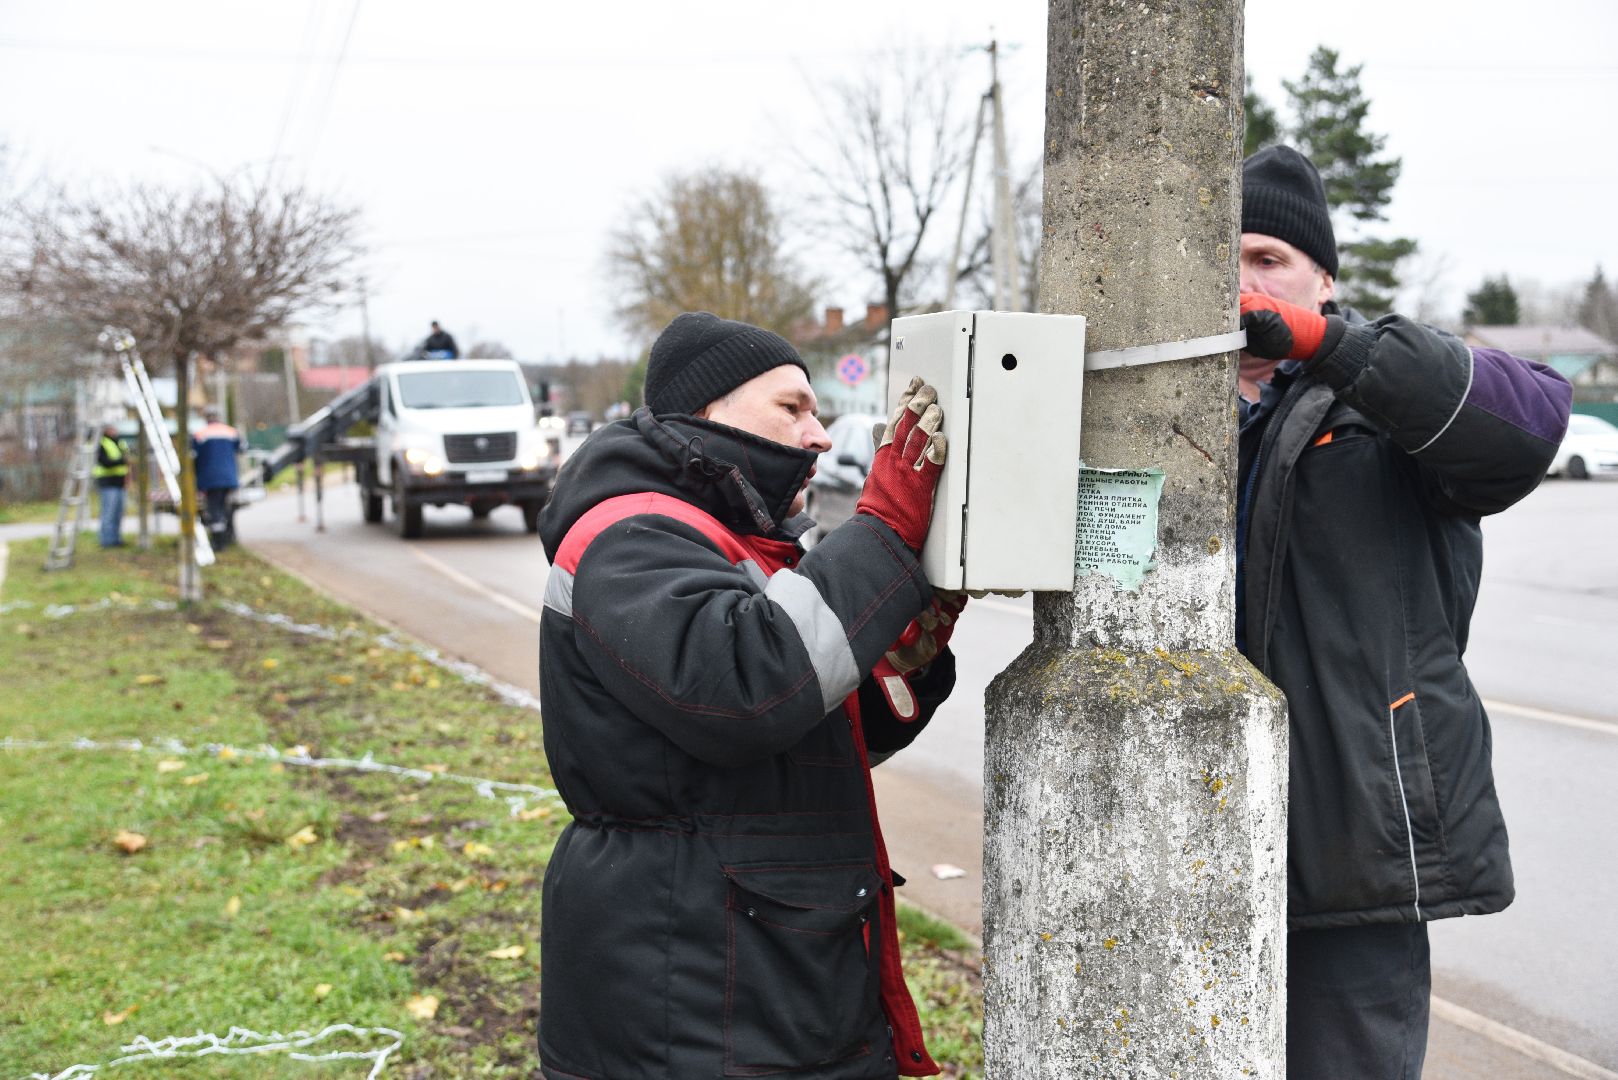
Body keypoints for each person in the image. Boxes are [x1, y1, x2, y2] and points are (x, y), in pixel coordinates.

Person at [536, 312, 961, 1079]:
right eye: (792, 407)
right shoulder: (629, 536)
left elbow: (811, 731)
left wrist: (905, 656)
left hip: (759, 983)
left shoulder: (730, 542)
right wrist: (887, 531)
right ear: (705, 413)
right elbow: (747, 693)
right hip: (695, 995)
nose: (821, 434)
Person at [1234, 145, 1572, 1079]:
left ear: (1322, 278)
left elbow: (1533, 422)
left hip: (1357, 842)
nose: (1244, 283)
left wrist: (1326, 345)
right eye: (1223, 258)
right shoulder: (1155, 410)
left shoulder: (1381, 391)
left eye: (1268, 259)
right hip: (1199, 821)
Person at [191, 406, 242, 550]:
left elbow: (194, 456)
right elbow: (242, 448)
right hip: (229, 478)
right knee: (226, 508)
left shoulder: (200, 434)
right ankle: (228, 536)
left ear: (206, 417)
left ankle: (219, 543)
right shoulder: (231, 432)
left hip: (210, 479)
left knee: (214, 510)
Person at [92, 424, 128, 549]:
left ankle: (115, 539)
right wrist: (120, 461)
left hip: (120, 482)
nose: (115, 431)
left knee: (117, 513)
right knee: (108, 513)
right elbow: (104, 461)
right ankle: (106, 541)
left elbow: (126, 457)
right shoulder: (102, 443)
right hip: (108, 483)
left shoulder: (119, 442)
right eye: (113, 429)